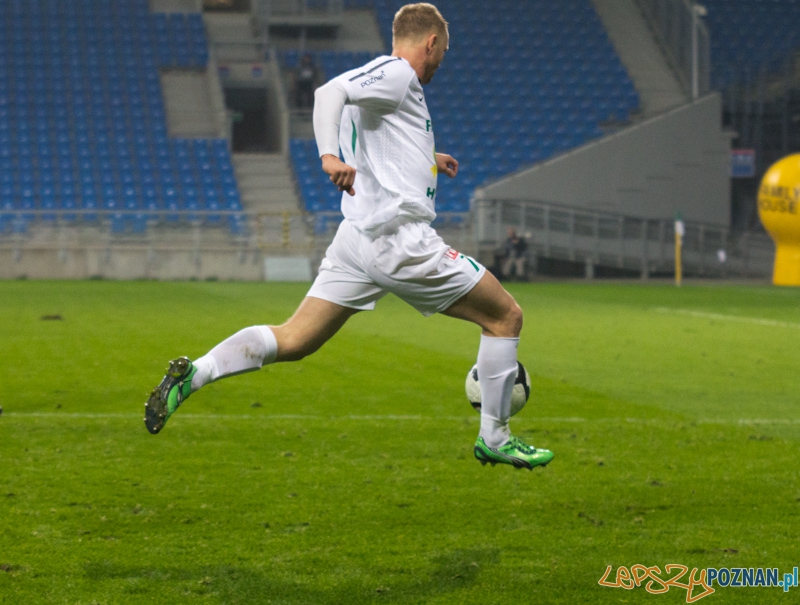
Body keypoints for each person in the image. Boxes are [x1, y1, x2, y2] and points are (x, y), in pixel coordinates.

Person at [144, 3, 553, 471]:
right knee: (505, 316)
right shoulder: (397, 74)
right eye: (442, 53)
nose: (440, 62)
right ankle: (495, 436)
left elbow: (378, 142)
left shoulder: (388, 88)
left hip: (357, 240)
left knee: (295, 339)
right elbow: (327, 92)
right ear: (432, 43)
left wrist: (428, 158)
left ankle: (195, 374)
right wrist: (327, 156)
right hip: (400, 242)